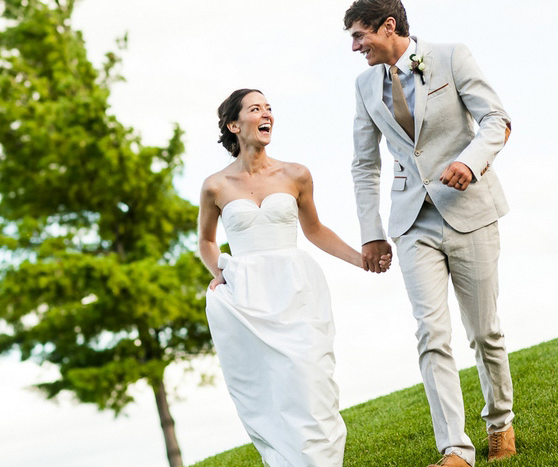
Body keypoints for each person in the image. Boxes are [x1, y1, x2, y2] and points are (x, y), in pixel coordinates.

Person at [343, 1, 515, 466]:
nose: (356, 47)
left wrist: (470, 162)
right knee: (431, 333)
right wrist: (371, 232)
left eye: (360, 36)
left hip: (468, 208)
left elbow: (496, 121)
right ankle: (456, 449)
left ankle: (500, 420)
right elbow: (364, 163)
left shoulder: (452, 56)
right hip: (410, 221)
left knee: (484, 332)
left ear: (389, 26)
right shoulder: (363, 86)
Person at [198, 88, 391, 467]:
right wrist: (221, 273)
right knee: (268, 391)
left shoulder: (296, 174)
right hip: (249, 298)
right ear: (234, 125)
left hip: (296, 290)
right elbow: (206, 241)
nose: (267, 114)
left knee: (310, 381)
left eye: (269, 108)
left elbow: (315, 230)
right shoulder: (215, 185)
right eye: (256, 109)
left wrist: (360, 258)